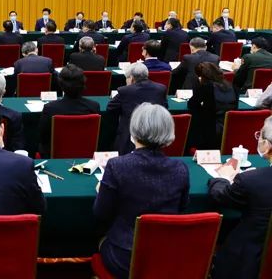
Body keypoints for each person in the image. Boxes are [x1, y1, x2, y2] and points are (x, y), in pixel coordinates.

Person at [94, 103, 189, 279]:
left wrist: (103, 190)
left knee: (99, 241)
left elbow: (101, 213)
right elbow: (182, 210)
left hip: (125, 257)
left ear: (134, 131)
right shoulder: (180, 168)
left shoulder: (117, 166)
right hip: (166, 254)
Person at [208, 117, 272, 279]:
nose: (258, 138)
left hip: (247, 262)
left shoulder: (251, 181)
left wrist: (222, 178)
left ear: (267, 145)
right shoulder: (252, 179)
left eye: (260, 135)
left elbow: (220, 196)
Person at [107, 62, 168, 154]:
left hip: (129, 137)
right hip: (155, 134)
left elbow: (110, 108)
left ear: (131, 78)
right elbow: (165, 108)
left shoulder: (125, 91)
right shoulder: (161, 88)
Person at [39, 64, 100, 156]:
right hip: (85, 154)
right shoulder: (94, 106)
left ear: (60, 85)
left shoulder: (50, 108)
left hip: (55, 155)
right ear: (83, 84)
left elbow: (43, 137)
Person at [187, 62, 238, 149]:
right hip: (229, 128)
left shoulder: (206, 87)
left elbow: (191, 104)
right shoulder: (232, 86)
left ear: (203, 77)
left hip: (210, 131)